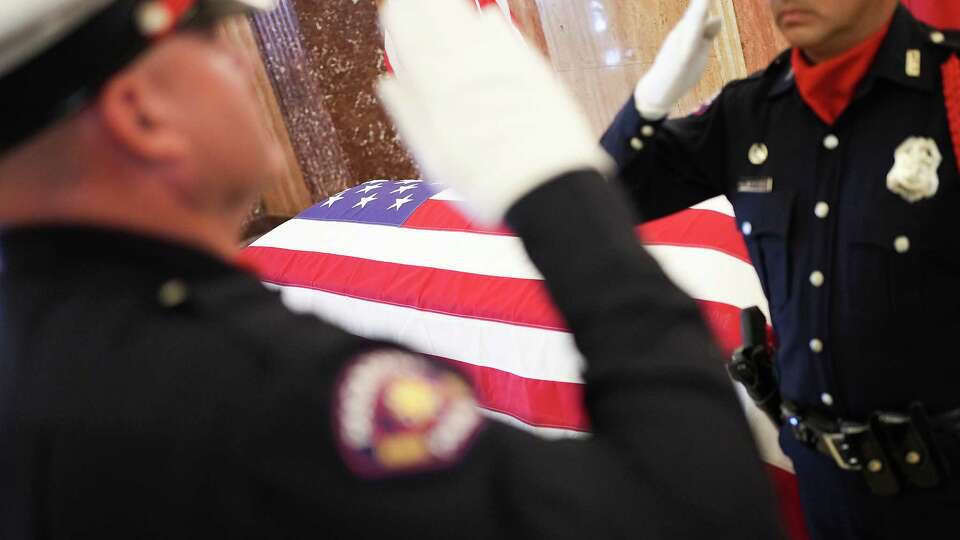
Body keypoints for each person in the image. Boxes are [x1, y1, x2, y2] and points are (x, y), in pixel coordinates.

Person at [0, 1, 785, 538]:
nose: (240, 61)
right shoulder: (250, 389)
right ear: (143, 114)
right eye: (208, 36)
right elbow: (697, 511)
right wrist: (555, 188)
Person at [600, 0, 960, 538]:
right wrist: (651, 99)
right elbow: (606, 197)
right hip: (824, 486)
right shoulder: (750, 112)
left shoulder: (949, 89)